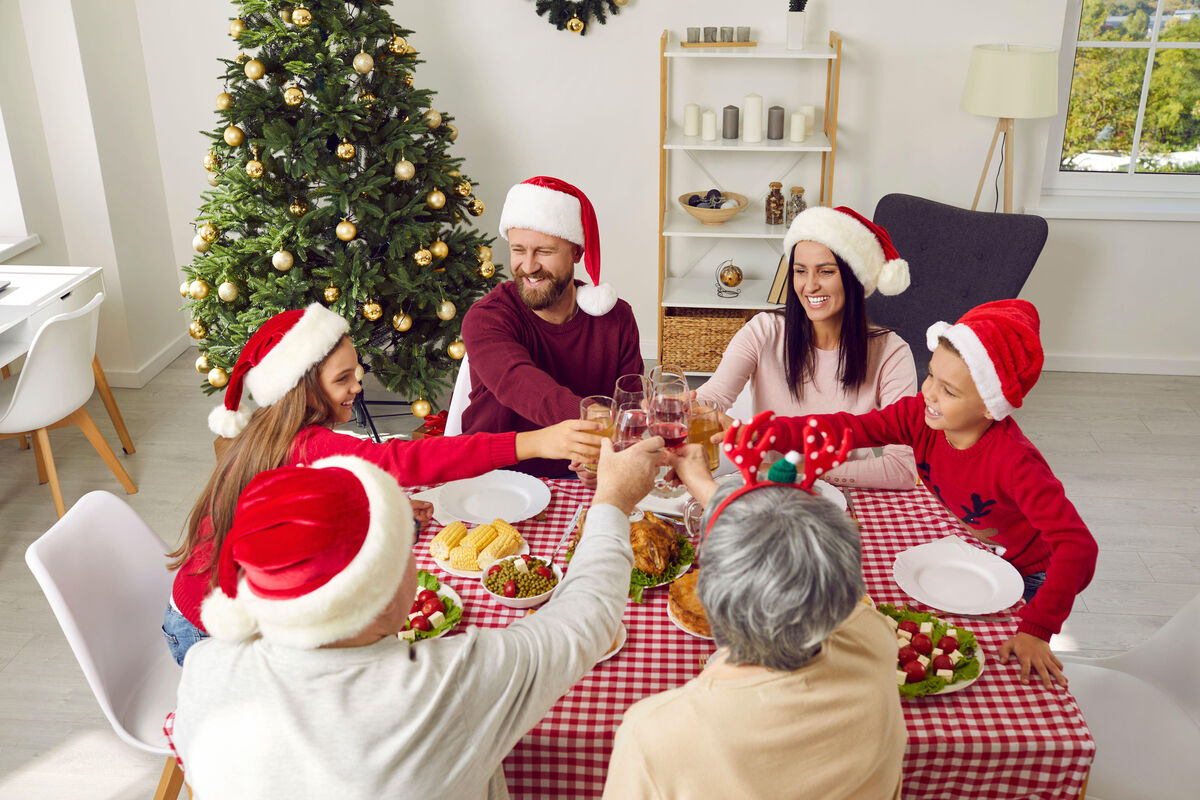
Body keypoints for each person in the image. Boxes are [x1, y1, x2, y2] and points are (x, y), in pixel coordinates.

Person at [169, 437, 662, 799]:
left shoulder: (205, 668)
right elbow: (586, 618)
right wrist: (613, 501)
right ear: (382, 595)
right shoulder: (447, 684)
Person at [163, 303, 603, 665]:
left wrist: (371, 501)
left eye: (355, 371)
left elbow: (316, 496)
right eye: (341, 379)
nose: (358, 385)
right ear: (302, 390)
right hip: (211, 636)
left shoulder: (270, 433)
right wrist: (535, 441)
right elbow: (406, 459)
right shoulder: (309, 446)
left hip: (197, 605)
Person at [770, 299, 1099, 688]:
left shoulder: (1016, 463)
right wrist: (769, 432)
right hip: (977, 555)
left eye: (949, 391)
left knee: (1003, 671)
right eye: (930, 377)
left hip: (1030, 576)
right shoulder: (918, 418)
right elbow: (847, 429)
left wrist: (1038, 627)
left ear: (992, 406)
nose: (928, 393)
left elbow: (1079, 547)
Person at [604, 438, 906, 799]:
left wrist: (612, 498)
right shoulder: (871, 637)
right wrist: (701, 482)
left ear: (709, 598)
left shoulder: (655, 733)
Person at [694, 205, 919, 489]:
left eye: (826, 272)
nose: (810, 286)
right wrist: (686, 406)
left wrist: (796, 469)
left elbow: (902, 469)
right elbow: (713, 397)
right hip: (771, 491)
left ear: (854, 279)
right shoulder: (763, 330)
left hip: (848, 495)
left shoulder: (892, 353)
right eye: (800, 271)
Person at [460, 176, 644, 479]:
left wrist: (604, 461)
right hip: (492, 475)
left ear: (575, 252)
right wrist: (591, 417)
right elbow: (518, 383)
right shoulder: (487, 317)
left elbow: (632, 408)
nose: (529, 266)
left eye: (543, 251)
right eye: (519, 250)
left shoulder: (617, 317)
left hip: (574, 477)